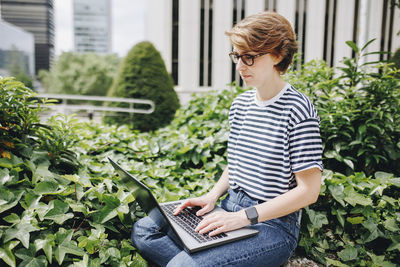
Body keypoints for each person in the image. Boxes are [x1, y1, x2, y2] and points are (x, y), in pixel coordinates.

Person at [131, 11, 323, 267]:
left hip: (272, 226)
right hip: (229, 206)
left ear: (278, 54)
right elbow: (238, 163)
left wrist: (244, 217)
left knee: (182, 265)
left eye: (249, 57)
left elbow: (309, 192)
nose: (240, 66)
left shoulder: (298, 110)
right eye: (237, 56)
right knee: (145, 231)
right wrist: (212, 196)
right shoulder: (241, 104)